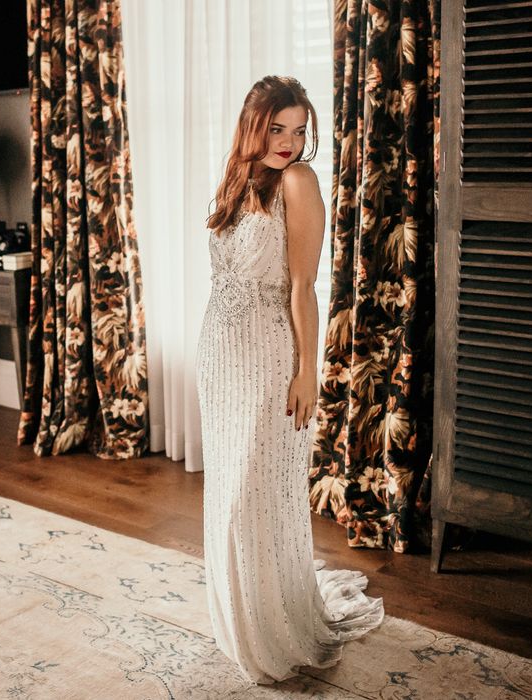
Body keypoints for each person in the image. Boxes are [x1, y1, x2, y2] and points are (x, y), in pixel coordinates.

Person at [195, 75, 385, 685]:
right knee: (228, 490)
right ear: (254, 126)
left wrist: (308, 372)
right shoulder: (234, 180)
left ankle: (275, 624)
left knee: (256, 489)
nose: (289, 142)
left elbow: (303, 288)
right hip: (219, 352)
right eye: (278, 128)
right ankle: (241, 618)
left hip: (268, 353)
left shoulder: (299, 183)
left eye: (299, 130)